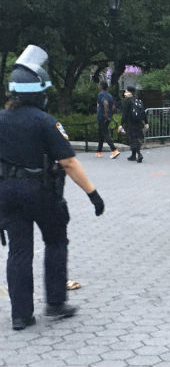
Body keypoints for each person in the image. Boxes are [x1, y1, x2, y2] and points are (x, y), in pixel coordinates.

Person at [0, 45, 106, 331]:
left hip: (8, 193)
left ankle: (21, 316)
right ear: (39, 93)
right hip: (42, 192)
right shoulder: (46, 122)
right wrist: (92, 194)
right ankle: (56, 303)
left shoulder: (1, 119)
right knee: (56, 242)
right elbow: (69, 163)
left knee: (19, 252)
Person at [120, 86, 149, 163]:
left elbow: (124, 114)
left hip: (130, 123)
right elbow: (143, 112)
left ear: (130, 93)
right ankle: (133, 155)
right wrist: (146, 123)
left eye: (126, 91)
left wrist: (121, 124)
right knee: (136, 138)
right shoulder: (138, 100)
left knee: (133, 139)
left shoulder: (128, 101)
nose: (125, 93)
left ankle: (139, 154)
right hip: (139, 123)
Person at [96, 81, 120, 159]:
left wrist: (106, 116)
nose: (98, 86)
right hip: (107, 117)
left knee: (105, 133)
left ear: (101, 86)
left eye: (99, 85)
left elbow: (105, 104)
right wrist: (110, 115)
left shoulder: (101, 94)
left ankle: (114, 150)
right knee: (101, 133)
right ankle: (99, 152)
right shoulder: (109, 95)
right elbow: (113, 107)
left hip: (102, 117)